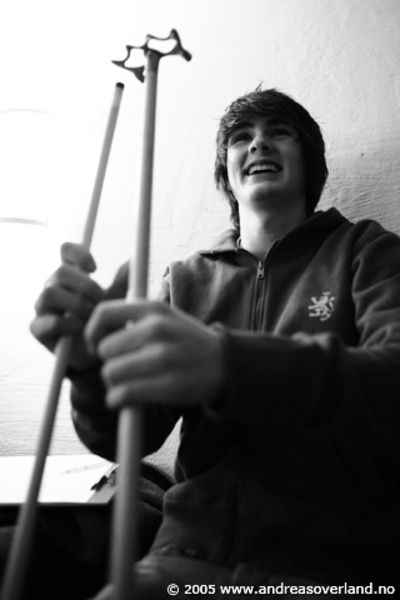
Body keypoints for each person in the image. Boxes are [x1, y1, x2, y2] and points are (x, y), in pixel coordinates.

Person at [29, 87, 400, 598]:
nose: (259, 144)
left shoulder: (367, 250)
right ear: (226, 170)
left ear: (311, 162)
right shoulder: (185, 281)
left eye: (279, 132)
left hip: (334, 571)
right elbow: (129, 438)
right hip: (181, 562)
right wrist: (89, 371)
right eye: (241, 137)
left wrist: (228, 366)